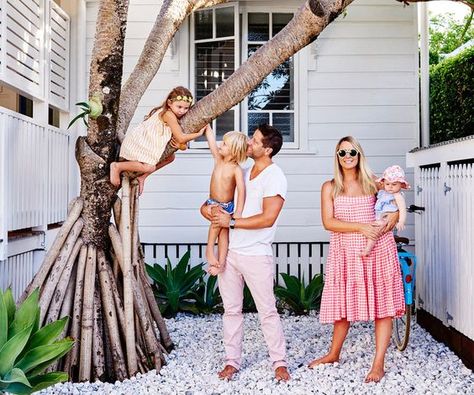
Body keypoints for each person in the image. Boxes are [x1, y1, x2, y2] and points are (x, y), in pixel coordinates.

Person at [308, 136, 405, 383]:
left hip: (378, 250)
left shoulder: (374, 182)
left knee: (383, 308)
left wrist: (393, 218)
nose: (347, 156)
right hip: (345, 252)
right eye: (342, 153)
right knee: (342, 306)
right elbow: (328, 222)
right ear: (337, 157)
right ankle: (333, 353)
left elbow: (394, 200)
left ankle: (378, 363)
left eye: (352, 151)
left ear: (359, 154)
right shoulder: (329, 187)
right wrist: (361, 227)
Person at [201, 124, 290, 382]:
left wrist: (231, 222)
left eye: (255, 140)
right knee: (231, 310)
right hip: (230, 253)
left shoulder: (275, 176)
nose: (249, 143)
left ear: (268, 149)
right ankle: (232, 361)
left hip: (255, 254)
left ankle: (279, 362)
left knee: (267, 311)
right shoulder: (244, 170)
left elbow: (268, 217)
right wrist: (209, 211)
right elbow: (219, 202)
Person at [110, 86, 205, 194]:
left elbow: (183, 145)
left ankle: (142, 177)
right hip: (139, 143)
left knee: (170, 157)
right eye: (179, 107)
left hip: (150, 144)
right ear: (169, 103)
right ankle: (117, 166)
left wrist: (180, 145)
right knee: (149, 167)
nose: (182, 111)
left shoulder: (176, 116)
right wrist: (199, 134)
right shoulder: (168, 114)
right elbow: (180, 137)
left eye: (186, 108)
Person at [203, 126, 248, 275]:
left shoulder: (236, 169)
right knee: (219, 226)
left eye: (224, 144)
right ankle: (210, 249)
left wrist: (238, 212)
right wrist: (207, 127)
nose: (220, 145)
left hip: (227, 206)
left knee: (223, 234)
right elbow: (211, 141)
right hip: (212, 202)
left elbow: (241, 191)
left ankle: (219, 263)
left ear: (234, 150)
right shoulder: (218, 159)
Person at [360, 165, 410, 256]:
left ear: (401, 185)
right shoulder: (382, 193)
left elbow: (402, 209)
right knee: (371, 228)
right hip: (379, 217)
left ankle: (368, 249)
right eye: (387, 184)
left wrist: (401, 221)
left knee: (374, 232)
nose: (390, 187)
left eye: (394, 184)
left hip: (387, 218)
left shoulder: (397, 196)